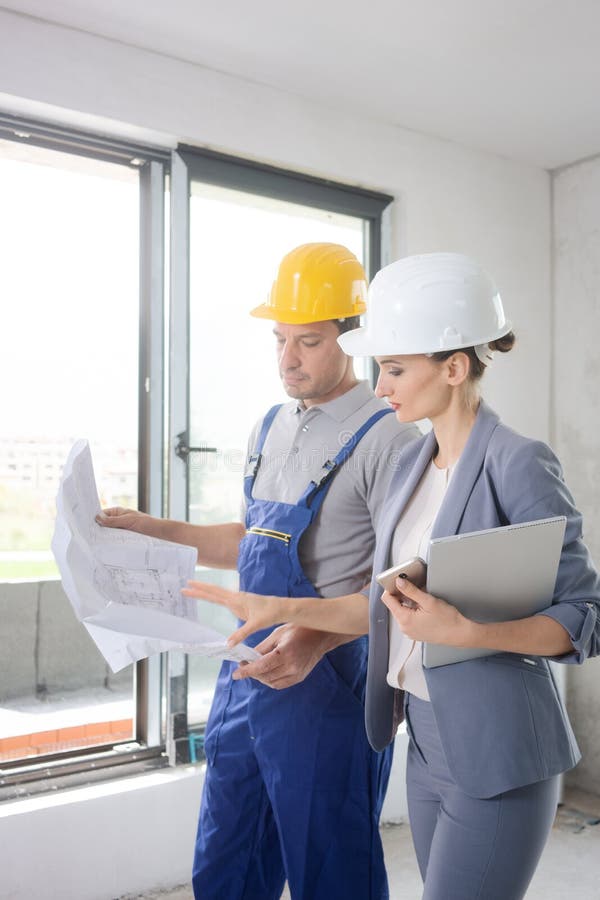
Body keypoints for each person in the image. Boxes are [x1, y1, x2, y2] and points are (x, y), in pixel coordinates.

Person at [185, 252, 600, 900]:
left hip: (496, 741)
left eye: (397, 368)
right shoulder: (416, 468)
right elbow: (387, 604)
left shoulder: (516, 462)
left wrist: (463, 629)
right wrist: (286, 613)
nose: (380, 387)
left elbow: (585, 616)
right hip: (424, 737)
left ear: (454, 368)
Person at [98, 242, 420, 900]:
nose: (287, 359)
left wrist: (312, 640)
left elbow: (405, 582)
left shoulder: (391, 436)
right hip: (246, 675)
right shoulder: (270, 426)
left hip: (329, 687)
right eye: (279, 340)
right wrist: (153, 529)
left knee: (331, 867)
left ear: (353, 338)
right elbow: (252, 538)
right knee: (226, 855)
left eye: (308, 342)